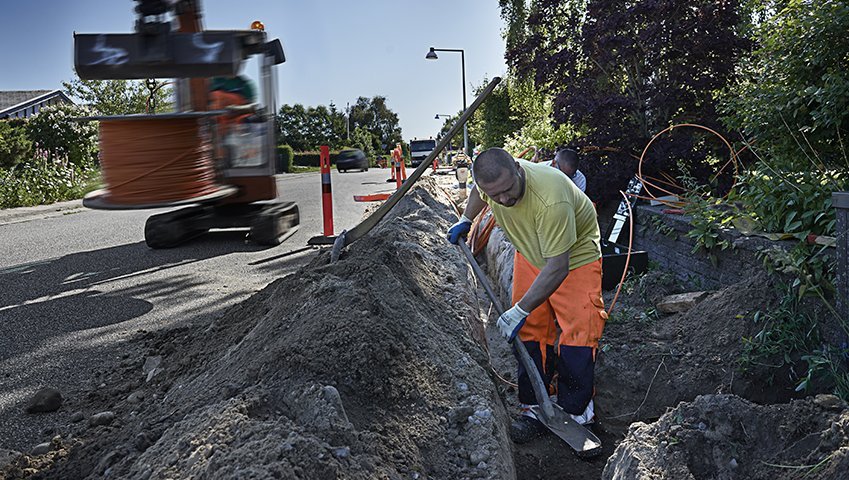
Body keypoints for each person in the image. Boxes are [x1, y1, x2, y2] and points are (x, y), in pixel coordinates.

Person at [446, 147, 606, 443]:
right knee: (530, 331)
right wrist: (467, 219)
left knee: (578, 333)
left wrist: (519, 309)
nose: (504, 199)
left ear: (519, 171)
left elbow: (558, 267)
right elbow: (480, 192)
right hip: (531, 253)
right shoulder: (493, 185)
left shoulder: (551, 197)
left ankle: (576, 411)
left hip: (574, 259)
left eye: (508, 190)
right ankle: (535, 406)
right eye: (495, 195)